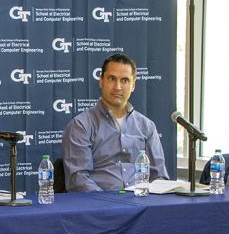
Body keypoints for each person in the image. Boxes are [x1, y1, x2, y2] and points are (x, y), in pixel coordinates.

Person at [62, 53, 168, 192]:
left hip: (141, 205)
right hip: (100, 207)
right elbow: (78, 180)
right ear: (101, 81)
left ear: (133, 85)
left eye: (124, 80)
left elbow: (159, 177)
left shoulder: (146, 126)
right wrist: (111, 205)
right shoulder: (81, 126)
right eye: (112, 79)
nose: (118, 87)